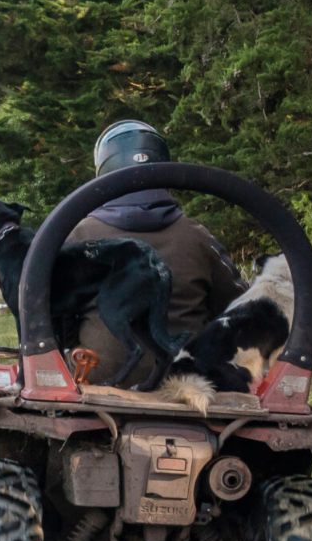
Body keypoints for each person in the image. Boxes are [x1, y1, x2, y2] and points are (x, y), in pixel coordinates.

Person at [69, 120, 244, 385]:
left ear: (103, 171)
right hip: (188, 384)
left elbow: (49, 311)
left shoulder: (77, 236)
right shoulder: (197, 237)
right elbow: (238, 305)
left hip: (96, 379)